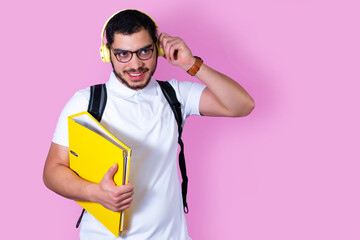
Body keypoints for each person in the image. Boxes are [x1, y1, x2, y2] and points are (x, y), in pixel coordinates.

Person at [43, 9, 254, 240]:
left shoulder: (175, 95)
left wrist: (190, 63)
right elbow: (52, 171)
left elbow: (242, 105)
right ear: (107, 54)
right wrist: (95, 192)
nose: (135, 65)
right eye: (123, 54)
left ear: (158, 49)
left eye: (144, 51)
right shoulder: (86, 102)